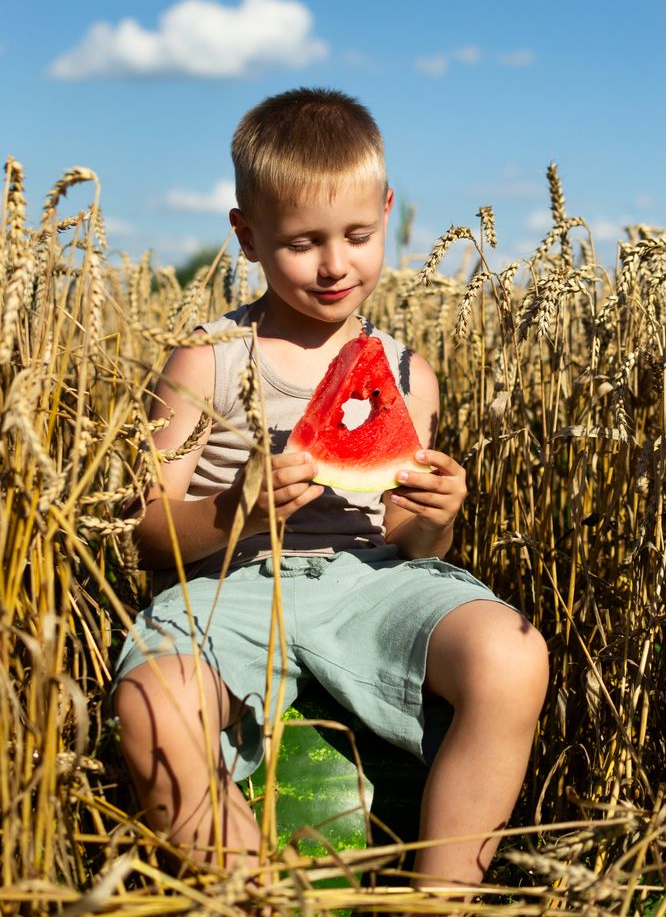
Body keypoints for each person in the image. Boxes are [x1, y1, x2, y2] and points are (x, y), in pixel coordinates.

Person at [113, 87, 548, 889]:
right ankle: (253, 895)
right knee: (151, 701)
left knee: (510, 654)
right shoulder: (203, 362)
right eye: (302, 242)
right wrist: (229, 510)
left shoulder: (407, 376)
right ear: (246, 236)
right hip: (228, 587)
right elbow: (145, 534)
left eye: (357, 235)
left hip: (369, 583)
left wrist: (433, 523)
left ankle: (443, 897)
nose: (335, 264)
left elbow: (408, 543)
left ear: (387, 212)